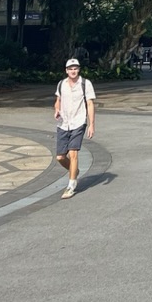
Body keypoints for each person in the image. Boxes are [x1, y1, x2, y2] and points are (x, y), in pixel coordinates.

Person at [53, 58, 95, 199]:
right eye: (70, 69)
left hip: (78, 122)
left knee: (73, 153)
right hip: (63, 123)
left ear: (79, 69)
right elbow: (58, 101)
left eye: (75, 68)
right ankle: (74, 170)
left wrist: (91, 124)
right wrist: (57, 109)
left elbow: (90, 104)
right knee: (60, 157)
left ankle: (71, 185)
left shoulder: (85, 84)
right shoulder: (61, 84)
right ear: (66, 70)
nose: (73, 71)